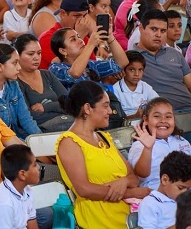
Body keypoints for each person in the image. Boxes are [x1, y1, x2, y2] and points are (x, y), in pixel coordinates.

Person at [56, 81, 150, 228]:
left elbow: (133, 177)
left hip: (129, 214)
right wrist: (132, 193)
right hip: (99, 218)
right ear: (87, 108)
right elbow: (84, 189)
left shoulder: (104, 137)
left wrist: (123, 182)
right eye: (105, 106)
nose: (110, 111)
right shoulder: (69, 142)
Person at [0, 44, 41, 139]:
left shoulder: (13, 85)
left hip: (16, 138)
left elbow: (26, 119)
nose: (19, 67)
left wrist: (41, 139)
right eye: (15, 63)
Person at [128, 97, 191, 190]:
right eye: (157, 116)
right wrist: (148, 149)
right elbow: (141, 174)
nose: (163, 120)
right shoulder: (139, 145)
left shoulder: (180, 140)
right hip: (157, 193)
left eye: (168, 116)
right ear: (145, 119)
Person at [15, 34, 73, 132]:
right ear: (17, 56)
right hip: (41, 129)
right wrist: (58, 107)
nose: (36, 58)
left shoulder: (47, 74)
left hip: (66, 122)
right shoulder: (15, 82)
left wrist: (45, 107)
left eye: (39, 53)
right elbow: (28, 116)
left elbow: (69, 103)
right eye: (30, 54)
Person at [0, 144, 40, 229]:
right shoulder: (4, 203)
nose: (38, 167)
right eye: (34, 164)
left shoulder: (27, 190)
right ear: (22, 174)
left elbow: (31, 223)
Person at [137, 151, 191, 229]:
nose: (185, 192)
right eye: (180, 188)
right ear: (165, 180)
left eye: (188, 188)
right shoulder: (150, 204)